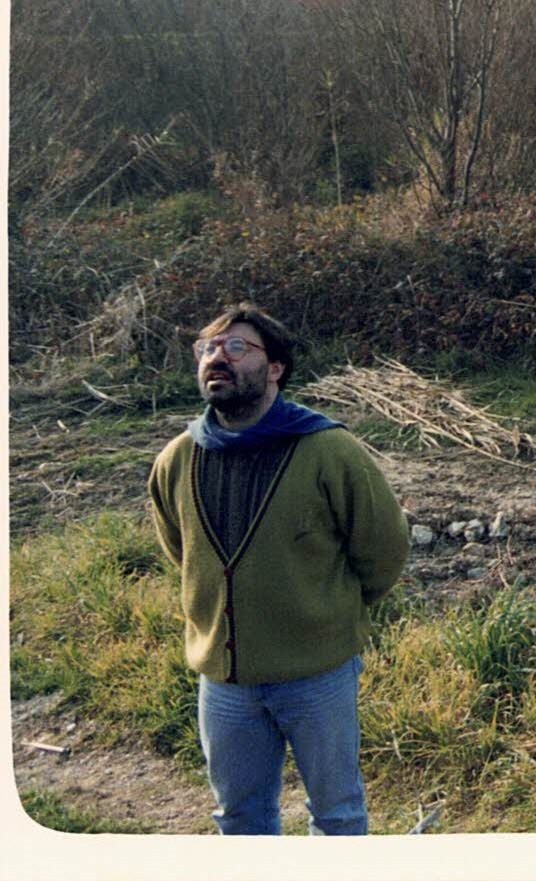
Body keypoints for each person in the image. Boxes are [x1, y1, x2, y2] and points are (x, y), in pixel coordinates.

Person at [147, 303, 409, 836]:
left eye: (236, 347)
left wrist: (324, 612)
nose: (217, 357)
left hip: (317, 677)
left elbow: (383, 549)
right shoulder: (176, 459)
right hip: (225, 683)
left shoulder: (329, 450)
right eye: (208, 349)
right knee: (240, 817)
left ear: (274, 369)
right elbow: (184, 554)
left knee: (336, 815)